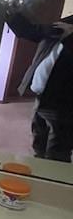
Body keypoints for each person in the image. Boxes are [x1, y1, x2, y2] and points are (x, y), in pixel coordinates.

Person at [5, 9, 73, 162]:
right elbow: (31, 31)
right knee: (39, 142)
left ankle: (52, 182)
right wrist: (9, 11)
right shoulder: (66, 24)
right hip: (41, 96)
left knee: (57, 151)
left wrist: (70, 36)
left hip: (64, 103)